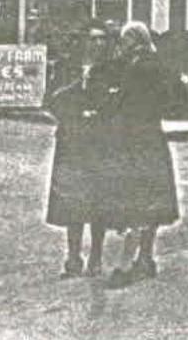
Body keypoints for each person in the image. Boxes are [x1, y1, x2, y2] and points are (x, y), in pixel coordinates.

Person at [105, 21, 180, 290]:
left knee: (136, 201)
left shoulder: (140, 67)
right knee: (150, 202)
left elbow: (128, 103)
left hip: (137, 139)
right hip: (150, 138)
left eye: (125, 41)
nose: (121, 46)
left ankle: (125, 266)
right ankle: (145, 258)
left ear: (135, 41)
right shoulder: (152, 63)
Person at [43, 25, 123, 278]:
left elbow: (118, 102)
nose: (98, 44)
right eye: (93, 39)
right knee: (71, 201)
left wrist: (100, 114)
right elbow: (51, 101)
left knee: (99, 201)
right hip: (72, 141)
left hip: (101, 142)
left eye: (102, 39)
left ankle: (96, 256)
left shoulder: (112, 70)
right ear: (83, 41)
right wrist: (76, 112)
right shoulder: (67, 68)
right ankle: (73, 256)